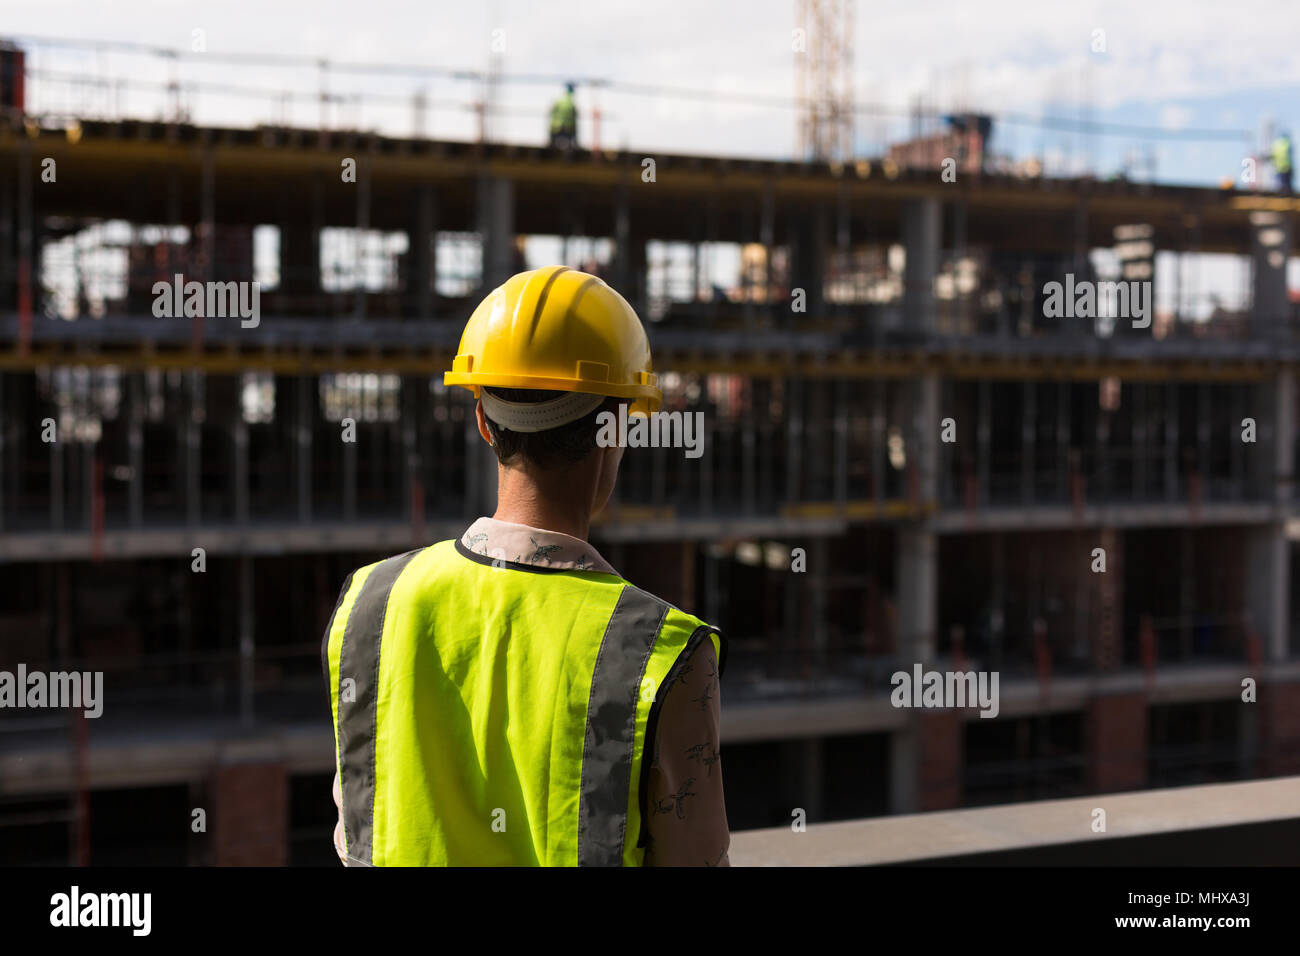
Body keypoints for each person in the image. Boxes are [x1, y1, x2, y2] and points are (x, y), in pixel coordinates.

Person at [323, 265, 729, 866]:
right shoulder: (659, 652)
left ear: (484, 421)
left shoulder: (369, 605)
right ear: (616, 429)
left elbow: (357, 837)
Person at [549, 82, 577, 149]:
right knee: (569, 146)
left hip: (555, 127)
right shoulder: (571, 103)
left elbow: (551, 112)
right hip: (567, 128)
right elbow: (574, 116)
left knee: (552, 145)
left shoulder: (559, 100)